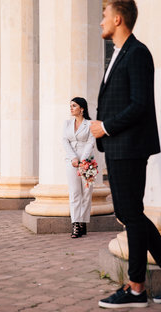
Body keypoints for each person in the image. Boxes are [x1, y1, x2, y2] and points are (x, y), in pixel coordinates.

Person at [90, 0, 161, 308]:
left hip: (129, 145)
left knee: (130, 214)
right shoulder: (121, 53)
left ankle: (136, 288)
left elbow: (140, 105)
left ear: (119, 19)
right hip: (119, 145)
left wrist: (105, 126)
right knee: (128, 213)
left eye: (104, 14)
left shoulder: (136, 53)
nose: (101, 20)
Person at [63, 97, 95, 238]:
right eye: (70, 106)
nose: (71, 108)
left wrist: (82, 161)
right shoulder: (67, 123)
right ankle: (75, 223)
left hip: (87, 161)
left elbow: (90, 142)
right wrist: (73, 158)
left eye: (74, 106)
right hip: (71, 161)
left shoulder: (90, 124)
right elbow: (64, 141)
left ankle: (83, 222)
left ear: (82, 108)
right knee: (75, 192)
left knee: (86, 193)